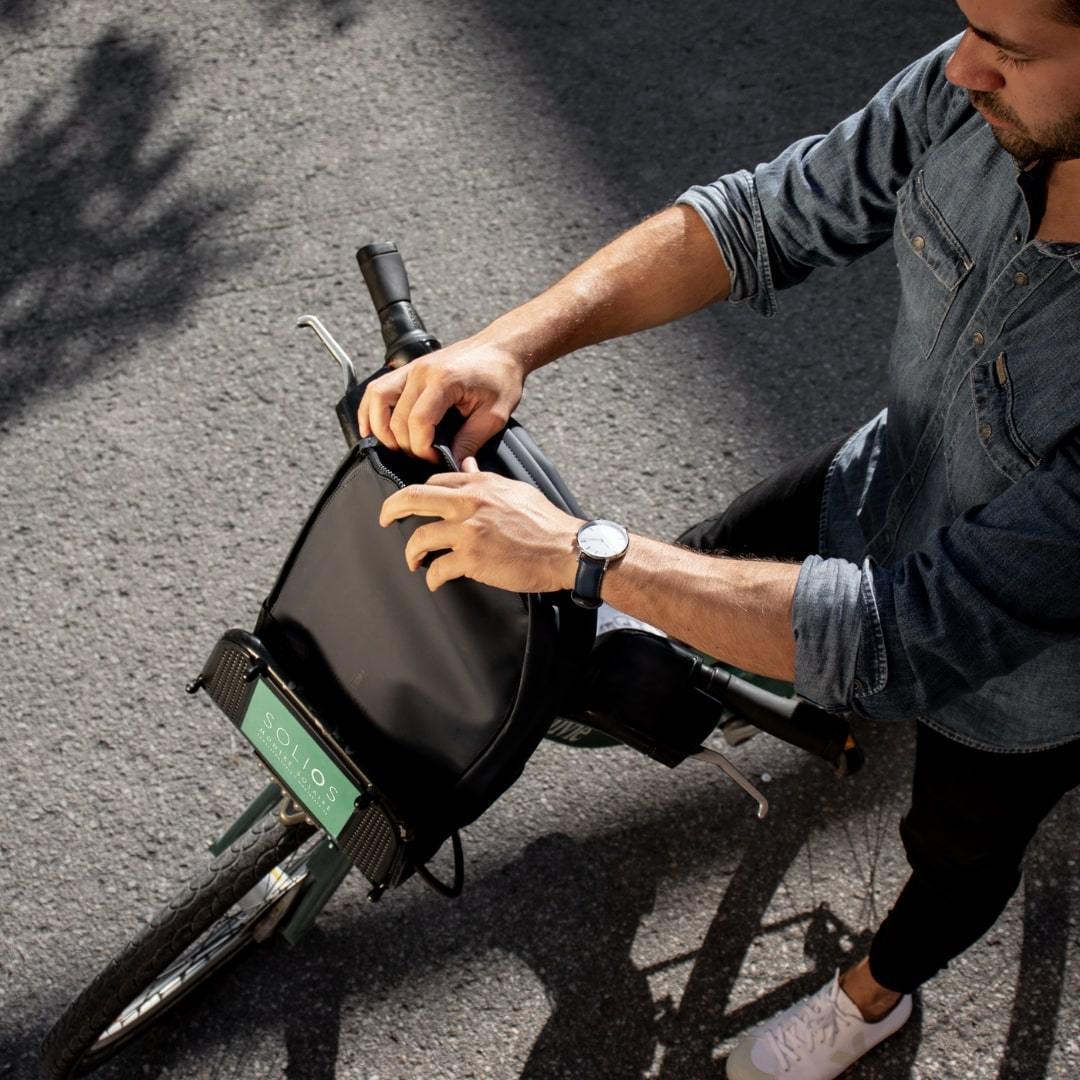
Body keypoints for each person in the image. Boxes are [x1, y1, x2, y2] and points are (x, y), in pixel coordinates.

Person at [364, 1, 1080, 1076]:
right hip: (871, 491)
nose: (963, 66)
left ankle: (874, 998)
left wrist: (583, 550)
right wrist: (509, 344)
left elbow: (909, 634)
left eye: (1011, 50)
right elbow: (757, 219)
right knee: (701, 570)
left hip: (1021, 683)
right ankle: (744, 679)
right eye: (970, 24)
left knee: (955, 854)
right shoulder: (976, 93)